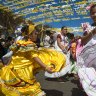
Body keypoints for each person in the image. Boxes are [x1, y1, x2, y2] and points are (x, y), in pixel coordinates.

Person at [0, 28, 66, 96]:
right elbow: (35, 57)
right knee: (30, 89)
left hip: (14, 69)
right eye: (35, 33)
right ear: (29, 35)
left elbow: (13, 55)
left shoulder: (19, 42)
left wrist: (7, 65)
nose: (37, 35)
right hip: (23, 71)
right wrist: (45, 67)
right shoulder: (29, 44)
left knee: (20, 89)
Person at [77, 4, 96, 96]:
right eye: (93, 13)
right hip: (91, 59)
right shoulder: (89, 27)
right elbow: (83, 41)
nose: (95, 15)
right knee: (91, 82)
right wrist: (93, 31)